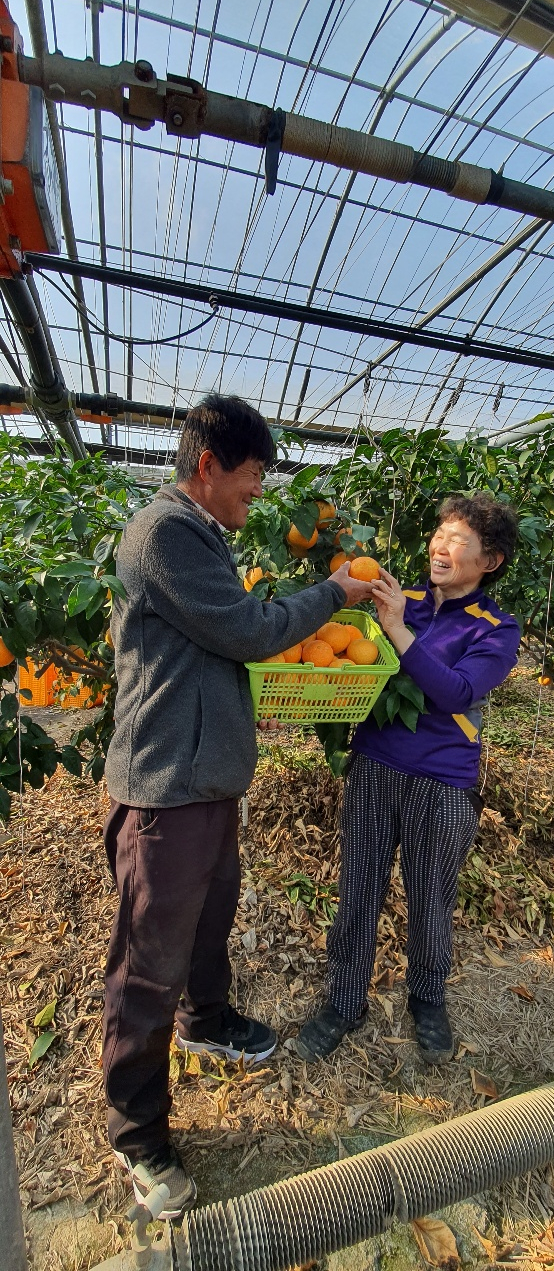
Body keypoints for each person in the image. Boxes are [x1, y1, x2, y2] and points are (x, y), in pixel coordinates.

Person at [102, 393, 374, 1219]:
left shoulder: (203, 537)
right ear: (209, 465)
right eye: (253, 477)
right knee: (146, 965)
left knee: (209, 917)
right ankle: (138, 1136)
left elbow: (221, 648)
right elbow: (248, 631)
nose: (260, 494)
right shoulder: (163, 535)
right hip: (167, 792)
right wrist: (332, 594)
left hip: (207, 779)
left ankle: (207, 1019)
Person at [295, 492, 520, 1068]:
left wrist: (397, 629)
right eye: (439, 535)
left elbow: (457, 692)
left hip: (443, 782)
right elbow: (346, 669)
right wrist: (297, 696)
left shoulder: (496, 628)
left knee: (430, 899)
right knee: (359, 891)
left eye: (457, 541)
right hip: (375, 767)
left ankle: (427, 998)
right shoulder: (399, 599)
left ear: (488, 562)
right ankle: (344, 1002)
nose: (440, 548)